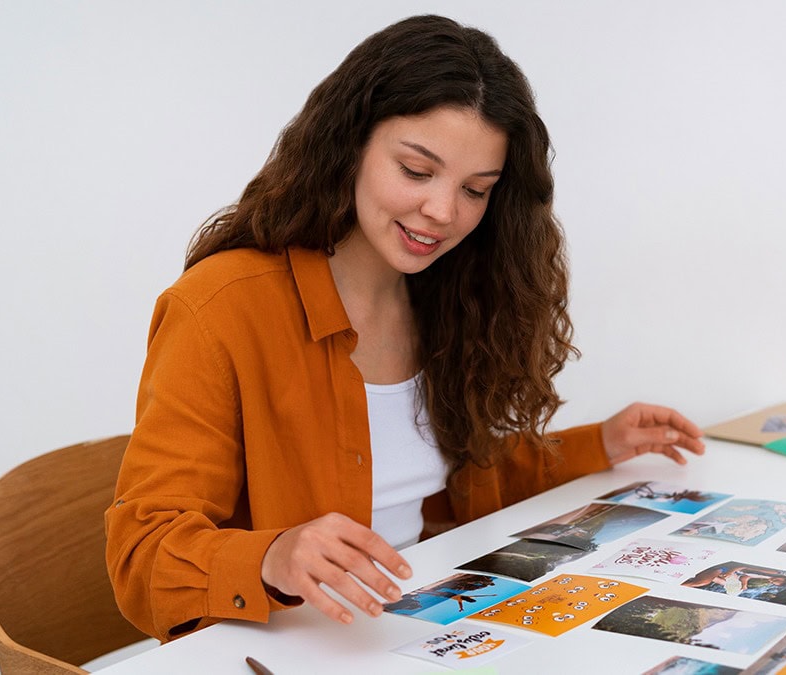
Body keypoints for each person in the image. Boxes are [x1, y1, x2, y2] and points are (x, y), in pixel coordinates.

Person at [104, 14, 705, 643]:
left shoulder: (447, 298)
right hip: (288, 646)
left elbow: (463, 485)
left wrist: (599, 445)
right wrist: (273, 556)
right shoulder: (221, 307)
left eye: (475, 190)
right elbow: (140, 554)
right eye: (417, 172)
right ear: (349, 143)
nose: (443, 212)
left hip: (412, 636)